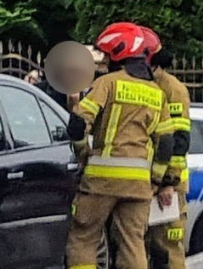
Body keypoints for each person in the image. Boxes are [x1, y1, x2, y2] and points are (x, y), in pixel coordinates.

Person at [66, 22, 176, 269]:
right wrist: (157, 180)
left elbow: (77, 124)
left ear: (118, 53)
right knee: (132, 243)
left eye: (106, 55)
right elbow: (167, 142)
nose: (104, 60)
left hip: (100, 182)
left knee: (84, 238)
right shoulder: (157, 93)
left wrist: (83, 153)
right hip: (138, 185)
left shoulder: (108, 83)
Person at [142, 27, 191, 269]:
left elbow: (179, 140)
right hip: (144, 181)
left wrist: (169, 182)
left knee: (167, 248)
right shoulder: (143, 85)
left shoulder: (173, 90)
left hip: (167, 184)